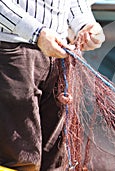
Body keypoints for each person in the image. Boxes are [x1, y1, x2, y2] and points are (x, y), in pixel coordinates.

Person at [0, 0, 105, 170]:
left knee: (56, 160)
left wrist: (84, 23)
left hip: (57, 55)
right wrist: (37, 33)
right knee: (18, 158)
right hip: (9, 50)